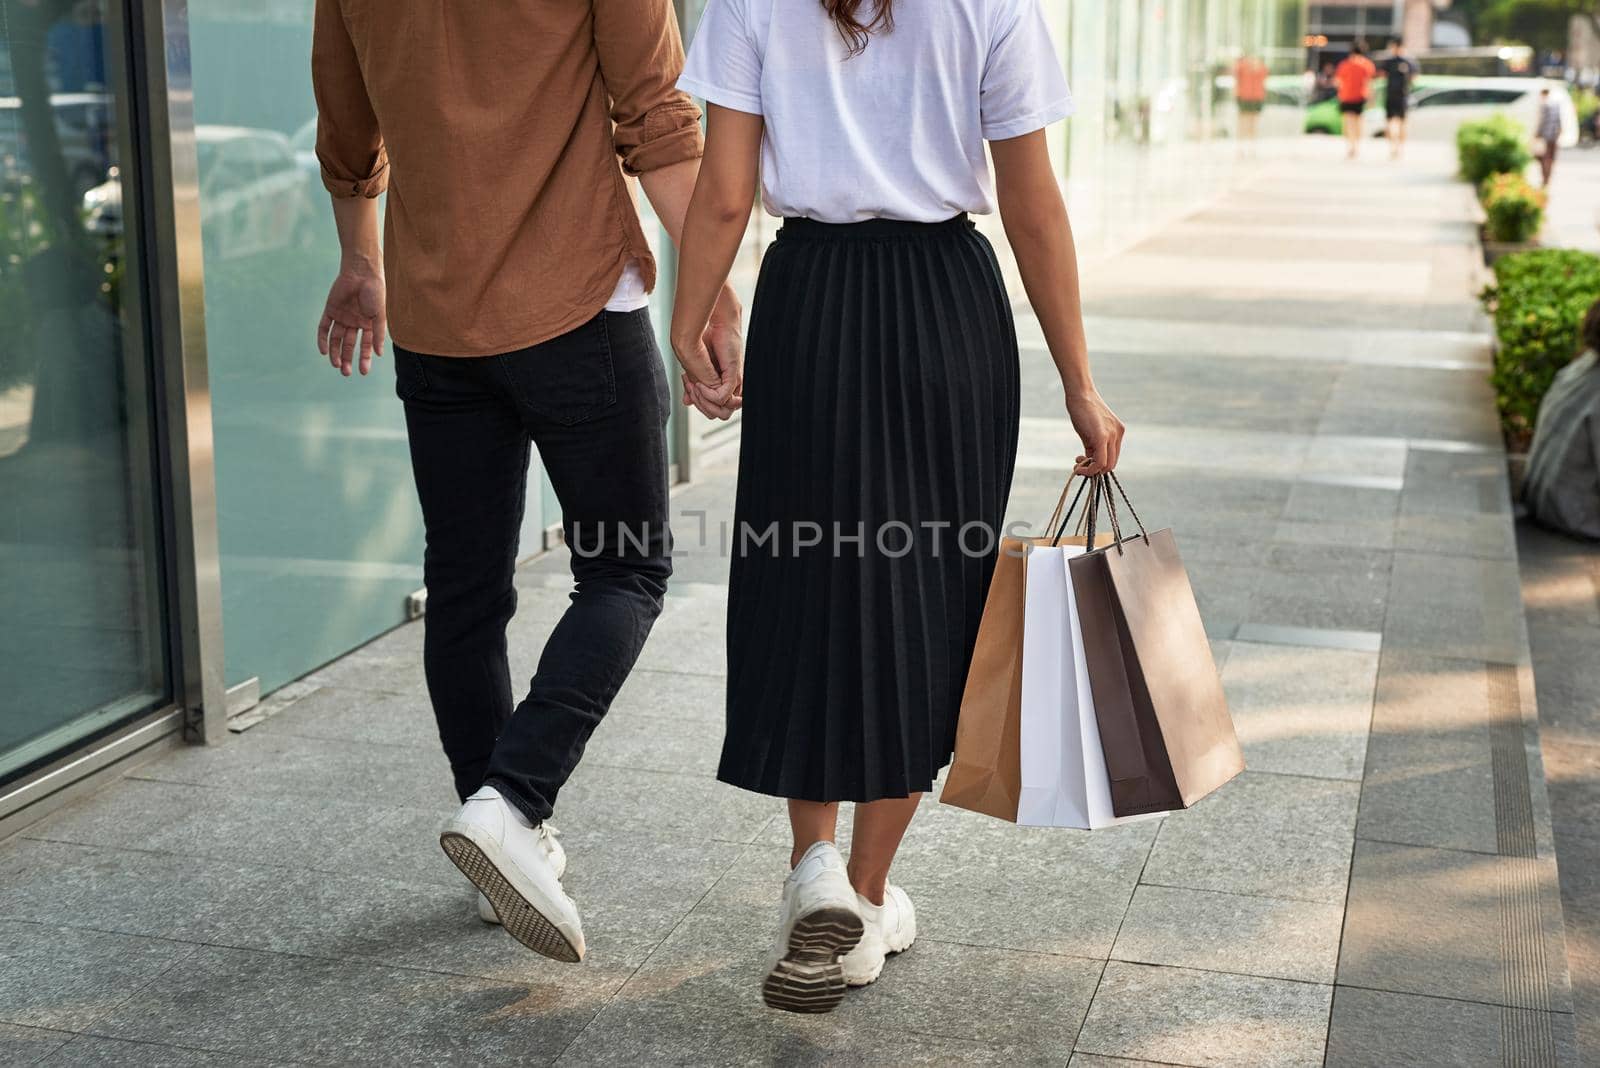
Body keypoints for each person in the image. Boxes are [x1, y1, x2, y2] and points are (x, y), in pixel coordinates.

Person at [671, 0, 1124, 1013]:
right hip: (945, 314)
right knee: (924, 600)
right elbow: (1031, 203)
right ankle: (863, 900)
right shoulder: (991, 6)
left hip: (809, 307)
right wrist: (1079, 383)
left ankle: (814, 868)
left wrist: (688, 317)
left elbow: (723, 193)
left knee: (807, 589)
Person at [310, 0, 744, 963]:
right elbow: (658, 118)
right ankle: (510, 805)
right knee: (626, 574)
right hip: (579, 305)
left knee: (465, 591)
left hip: (434, 321)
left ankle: (497, 829)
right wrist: (710, 290)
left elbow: (347, 133)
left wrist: (359, 262)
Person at [1335, 40, 1377, 159]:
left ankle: (1350, 146)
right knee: (1359, 123)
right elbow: (1369, 84)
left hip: (1346, 96)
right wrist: (1371, 99)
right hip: (1360, 97)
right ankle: (1356, 146)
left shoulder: (1344, 64)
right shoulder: (1367, 65)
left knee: (1348, 123)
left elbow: (1338, 82)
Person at [1382, 39, 1418, 159]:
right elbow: (1414, 78)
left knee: (1393, 123)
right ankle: (1398, 148)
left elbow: (1383, 76)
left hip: (1393, 95)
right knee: (1401, 123)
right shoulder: (1410, 61)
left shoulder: (1389, 61)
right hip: (1402, 96)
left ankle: (1395, 147)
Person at [1234, 53, 1270, 148]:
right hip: (1244, 96)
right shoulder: (1242, 66)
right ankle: (1241, 145)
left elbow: (1265, 74)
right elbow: (1236, 72)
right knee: (1243, 121)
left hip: (1257, 97)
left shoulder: (1261, 68)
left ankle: (1252, 145)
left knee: (1254, 122)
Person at [1537, 87, 1563, 187]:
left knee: (1544, 158)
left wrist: (1537, 134)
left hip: (1545, 136)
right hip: (1554, 136)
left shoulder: (1544, 105)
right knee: (1551, 158)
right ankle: (1547, 178)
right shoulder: (1556, 105)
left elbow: (1542, 122)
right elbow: (1559, 120)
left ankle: (1545, 178)